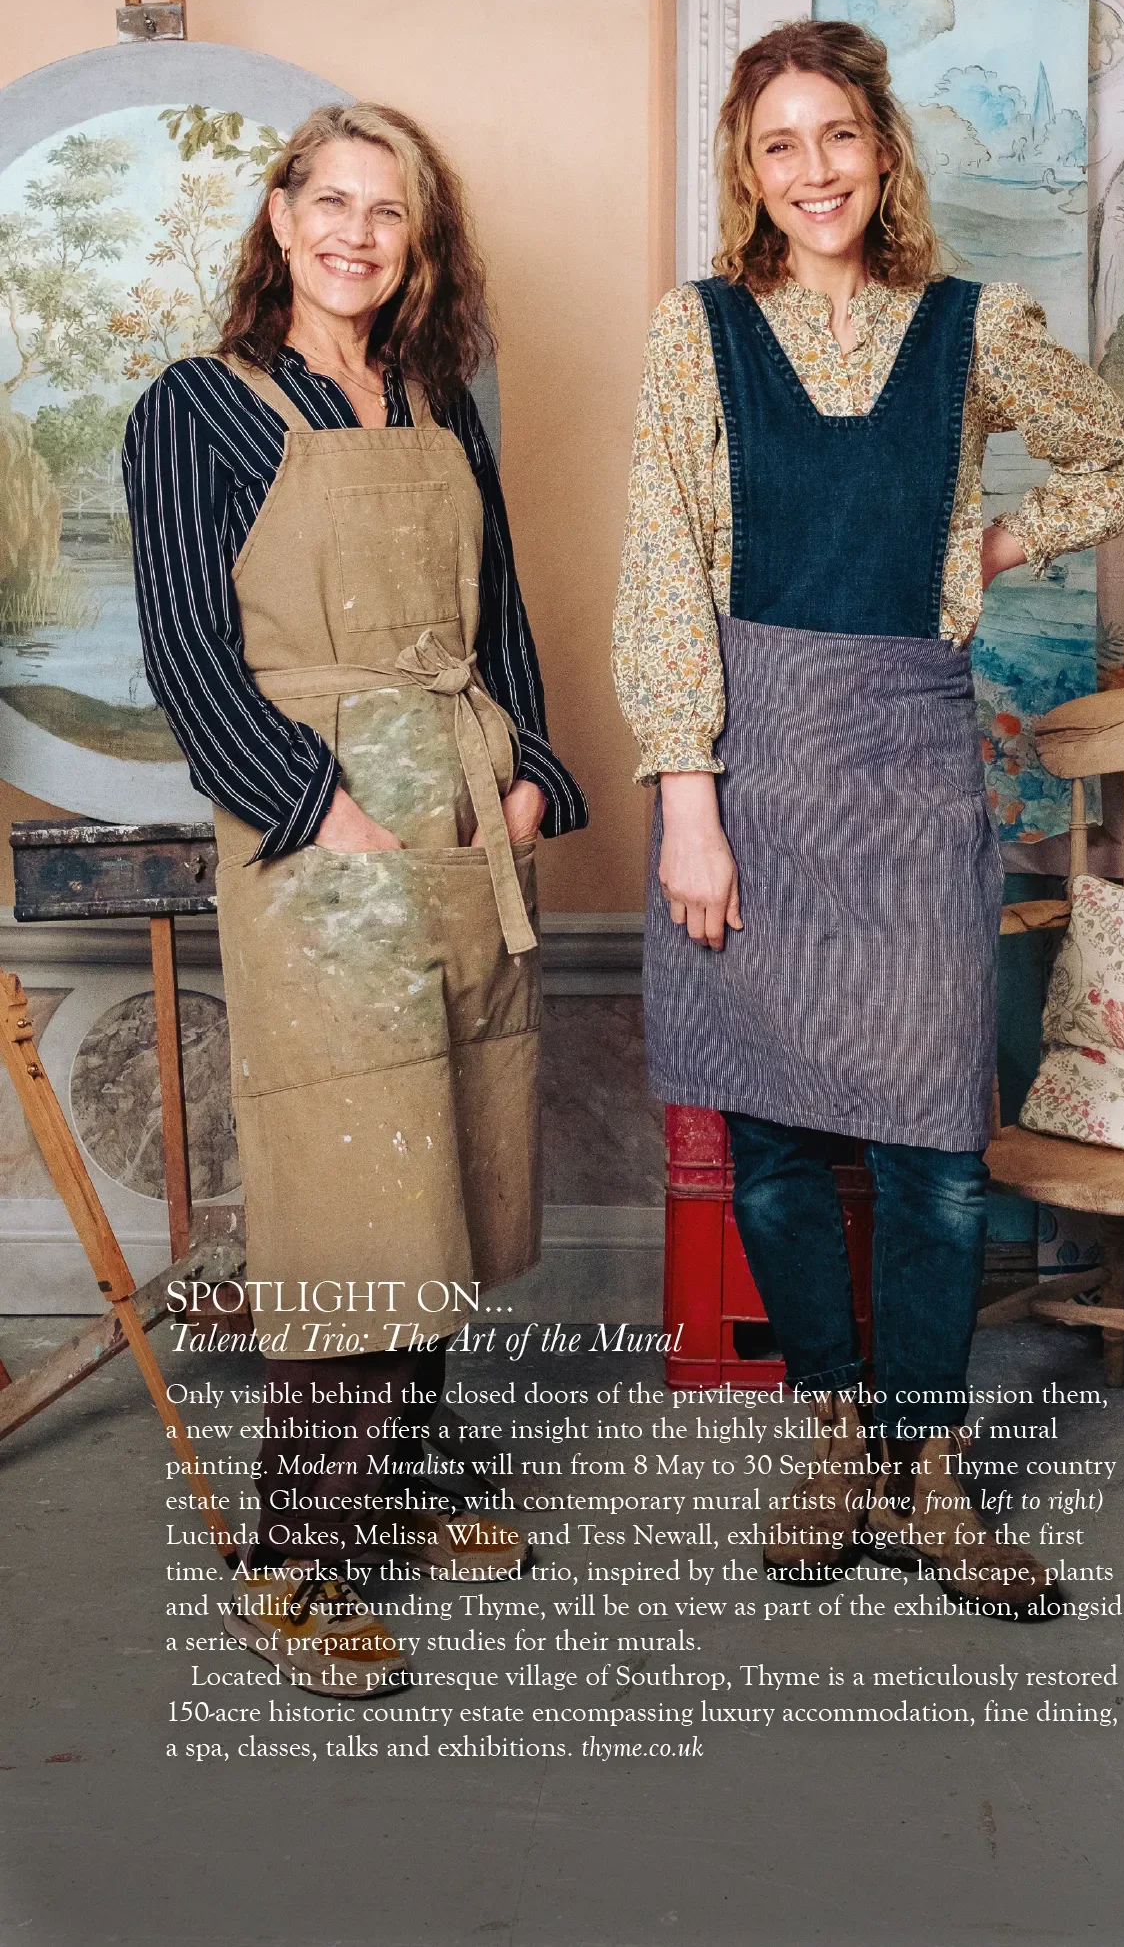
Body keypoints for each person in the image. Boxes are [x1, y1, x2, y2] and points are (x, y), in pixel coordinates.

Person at [613, 18, 1124, 1615]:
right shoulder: (694, 330)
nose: (812, 170)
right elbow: (658, 566)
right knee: (772, 1140)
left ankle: (928, 1467)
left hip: (912, 770)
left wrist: (992, 547)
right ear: (748, 170)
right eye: (778, 144)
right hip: (749, 763)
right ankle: (836, 1431)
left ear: (881, 148)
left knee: (934, 1151)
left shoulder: (974, 329)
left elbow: (1123, 454)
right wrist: (686, 802)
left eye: (835, 135)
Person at [123, 103, 586, 1695]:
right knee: (355, 1186)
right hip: (322, 838)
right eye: (331, 201)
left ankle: (407, 1485)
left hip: (461, 805)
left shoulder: (438, 396)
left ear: (419, 242)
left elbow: (503, 612)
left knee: (450, 1144)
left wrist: (529, 775)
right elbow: (187, 646)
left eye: (389, 213)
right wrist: (318, 810)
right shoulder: (196, 406)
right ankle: (296, 1557)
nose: (357, 235)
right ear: (278, 213)